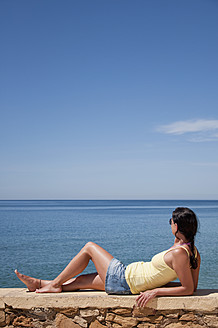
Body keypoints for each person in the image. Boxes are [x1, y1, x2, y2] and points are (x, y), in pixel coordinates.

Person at [15, 207, 201, 307]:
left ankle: (54, 284)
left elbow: (188, 288)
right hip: (126, 283)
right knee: (80, 281)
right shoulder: (192, 252)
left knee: (89, 247)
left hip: (124, 279)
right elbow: (192, 285)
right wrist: (160, 283)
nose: (170, 225)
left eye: (171, 222)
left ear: (176, 226)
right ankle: (39, 283)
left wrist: (156, 291)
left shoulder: (178, 253)